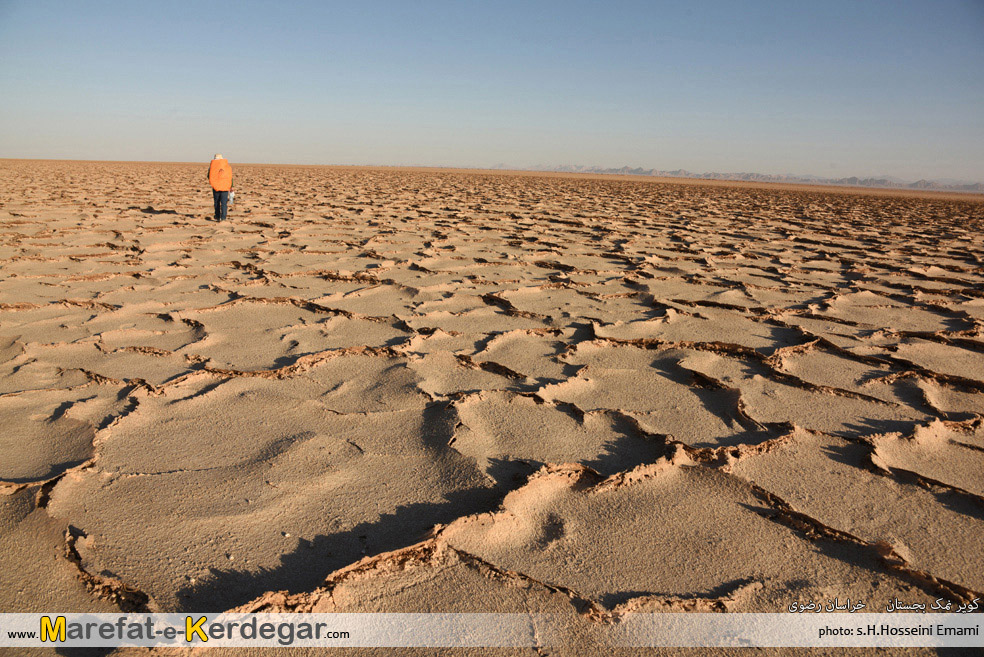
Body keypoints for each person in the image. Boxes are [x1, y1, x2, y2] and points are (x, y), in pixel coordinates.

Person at [207, 154, 233, 221]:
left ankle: (218, 216)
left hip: (216, 187)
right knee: (224, 203)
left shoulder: (212, 167)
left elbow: (208, 176)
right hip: (225, 187)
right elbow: (230, 177)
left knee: (217, 202)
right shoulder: (227, 167)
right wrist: (231, 186)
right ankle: (223, 217)